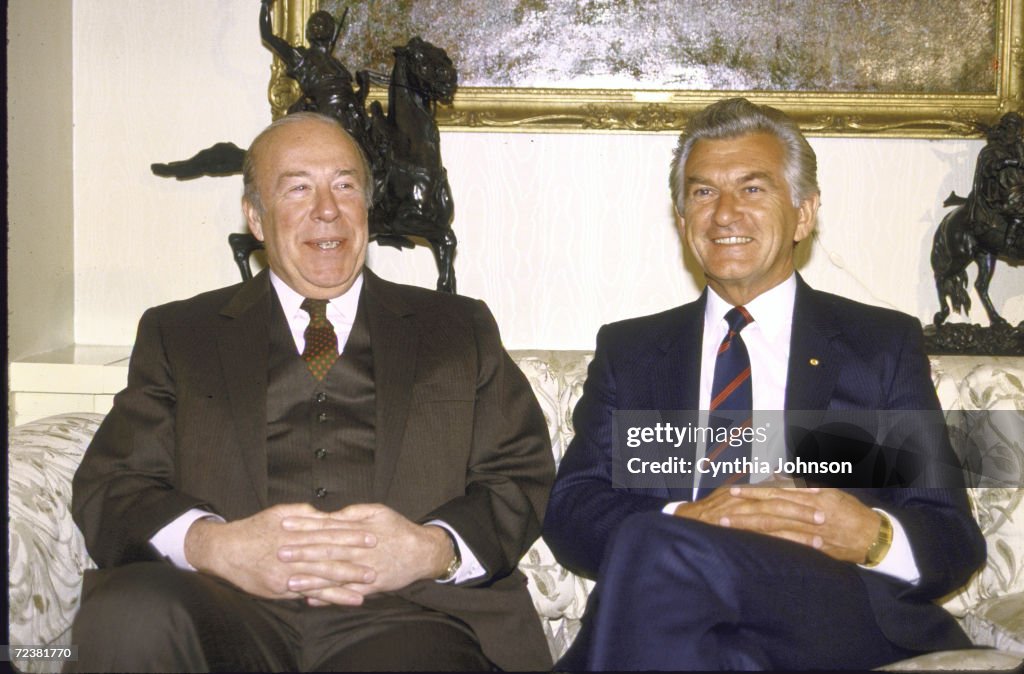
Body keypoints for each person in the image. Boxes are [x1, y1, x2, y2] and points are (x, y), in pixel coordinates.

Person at [69, 112, 555, 672]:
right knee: (127, 617)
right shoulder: (181, 333)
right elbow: (113, 484)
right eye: (299, 187)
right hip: (221, 607)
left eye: (345, 185)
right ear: (256, 217)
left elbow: (518, 474)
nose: (328, 209)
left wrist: (432, 550)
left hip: (414, 618)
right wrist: (213, 546)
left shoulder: (456, 328)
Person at [542, 97, 986, 670]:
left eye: (753, 189)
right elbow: (574, 509)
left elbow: (952, 535)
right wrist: (689, 521)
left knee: (661, 554)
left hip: (829, 609)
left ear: (803, 213)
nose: (724, 214)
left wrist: (872, 536)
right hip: (675, 617)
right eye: (703, 193)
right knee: (676, 569)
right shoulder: (632, 353)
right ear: (682, 221)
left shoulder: (877, 345)